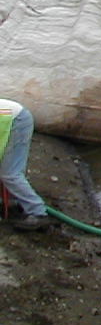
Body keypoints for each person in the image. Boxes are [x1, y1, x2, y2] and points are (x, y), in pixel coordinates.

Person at [1, 98, 50, 231]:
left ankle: (37, 212)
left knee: (10, 173)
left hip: (16, 121)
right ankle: (15, 200)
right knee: (8, 170)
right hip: (14, 118)